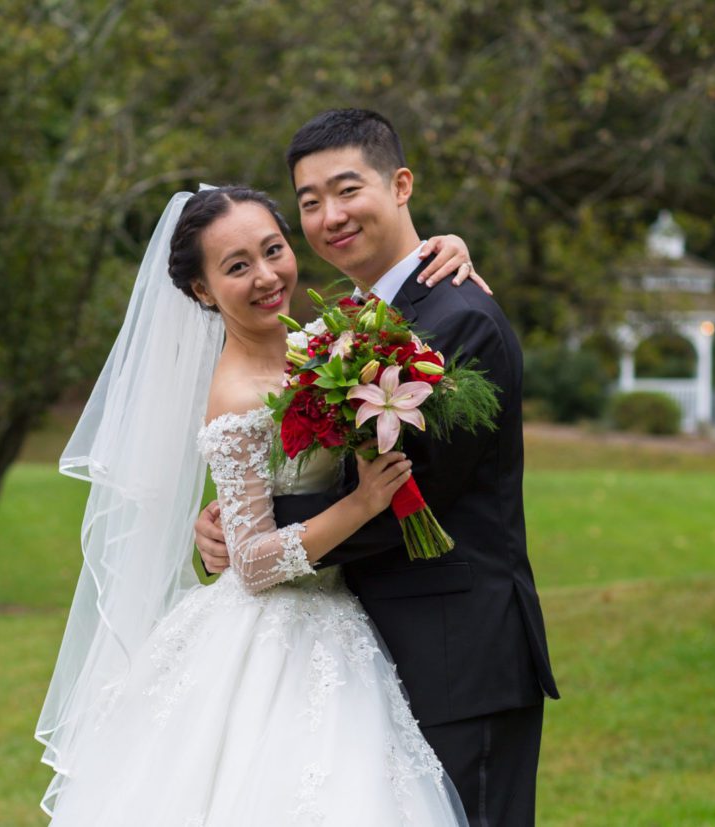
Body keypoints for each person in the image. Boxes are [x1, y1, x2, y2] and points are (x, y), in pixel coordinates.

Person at [36, 185, 482, 825]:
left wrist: (449, 247)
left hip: (341, 611)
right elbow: (250, 563)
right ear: (202, 290)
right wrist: (361, 504)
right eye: (237, 266)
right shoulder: (238, 396)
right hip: (278, 636)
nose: (267, 276)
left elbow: (395, 290)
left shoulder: (326, 342)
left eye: (273, 250)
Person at [194, 109, 560, 827]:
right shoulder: (355, 318)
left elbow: (404, 495)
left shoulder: (458, 319)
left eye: (346, 189)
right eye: (309, 202)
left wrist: (250, 534)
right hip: (375, 650)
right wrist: (236, 525)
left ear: (400, 185)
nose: (330, 216)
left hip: (460, 656)